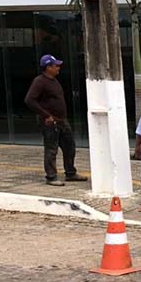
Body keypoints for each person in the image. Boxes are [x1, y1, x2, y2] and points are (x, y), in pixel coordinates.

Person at [24, 54, 87, 186]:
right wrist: (46, 115)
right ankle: (51, 176)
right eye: (56, 65)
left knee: (70, 146)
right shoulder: (39, 81)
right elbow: (30, 100)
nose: (59, 67)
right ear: (48, 67)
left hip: (61, 120)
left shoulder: (54, 80)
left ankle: (70, 173)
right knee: (51, 149)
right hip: (49, 121)